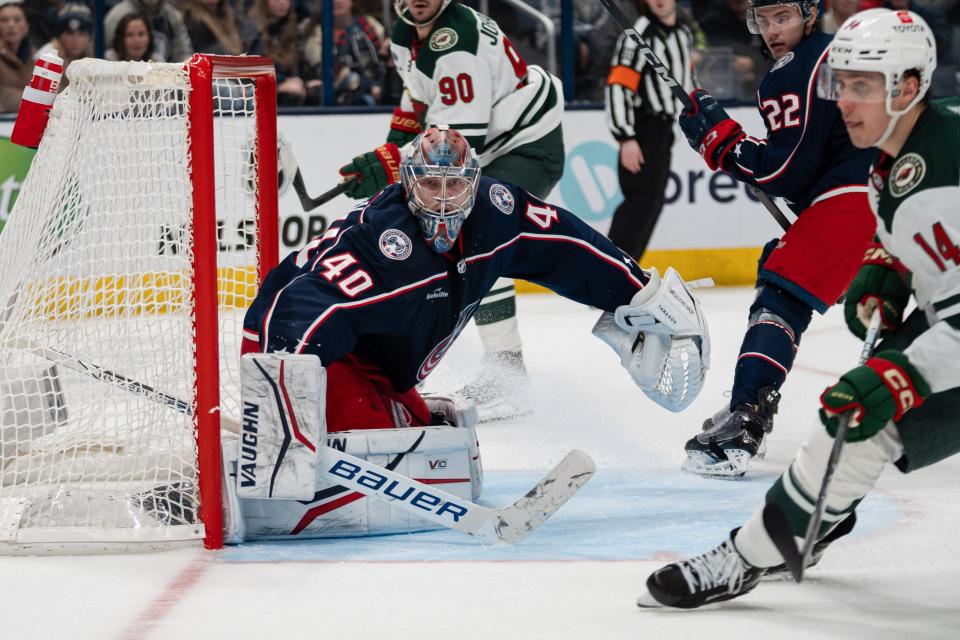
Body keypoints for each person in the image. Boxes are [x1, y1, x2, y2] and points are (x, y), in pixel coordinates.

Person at [237, 126, 709, 539]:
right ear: (407, 185)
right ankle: (278, 483)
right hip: (300, 355)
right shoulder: (383, 245)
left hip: (381, 365)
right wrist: (285, 423)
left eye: (455, 185)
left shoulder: (495, 211)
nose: (443, 199)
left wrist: (634, 289)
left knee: (432, 451)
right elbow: (290, 311)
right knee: (352, 466)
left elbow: (564, 242)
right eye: (431, 184)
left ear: (474, 183)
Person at [640, 7, 960, 609]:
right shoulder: (897, 161)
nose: (843, 101)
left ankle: (764, 446)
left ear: (910, 87)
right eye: (843, 84)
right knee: (858, 422)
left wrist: (902, 374)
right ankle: (771, 541)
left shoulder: (937, 164)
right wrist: (889, 269)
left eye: (863, 86)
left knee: (865, 394)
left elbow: (789, 169)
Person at [675, 0, 877, 478]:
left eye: (781, 17)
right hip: (888, 190)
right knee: (785, 265)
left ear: (810, 13)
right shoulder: (838, 50)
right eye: (762, 20)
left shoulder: (790, 72)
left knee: (782, 292)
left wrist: (721, 143)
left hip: (852, 199)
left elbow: (786, 171)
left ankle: (747, 417)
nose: (771, 31)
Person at [336, 0, 565, 421]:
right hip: (487, 144)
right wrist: (390, 154)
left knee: (476, 239)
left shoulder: (457, 44)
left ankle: (507, 375)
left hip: (526, 145)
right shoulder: (406, 31)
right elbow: (415, 102)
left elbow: (455, 141)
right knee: (437, 236)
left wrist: (390, 165)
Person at [605, 0, 697, 262]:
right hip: (643, 128)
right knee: (640, 201)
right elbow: (618, 87)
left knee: (650, 203)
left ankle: (626, 267)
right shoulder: (638, 34)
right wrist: (626, 137)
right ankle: (613, 268)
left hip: (665, 129)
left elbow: (687, 79)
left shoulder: (684, 33)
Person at [248, 0, 308, 106]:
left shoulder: (295, 30)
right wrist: (280, 84)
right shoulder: (251, 30)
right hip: (258, 89)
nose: (282, 2)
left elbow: (301, 65)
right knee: (290, 94)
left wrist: (308, 81)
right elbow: (253, 69)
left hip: (291, 85)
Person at [104, 0, 194, 63]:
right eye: (130, 35)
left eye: (141, 34)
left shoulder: (173, 15)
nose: (136, 40)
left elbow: (184, 53)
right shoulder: (116, 16)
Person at [35, 3, 93, 92]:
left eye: (82, 34)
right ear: (59, 36)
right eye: (69, 33)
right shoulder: (47, 57)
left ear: (90, 38)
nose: (75, 40)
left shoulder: (92, 59)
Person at [0, 0, 34, 113]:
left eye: (17, 20)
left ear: (27, 26)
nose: (11, 25)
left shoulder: (37, 56)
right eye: (4, 20)